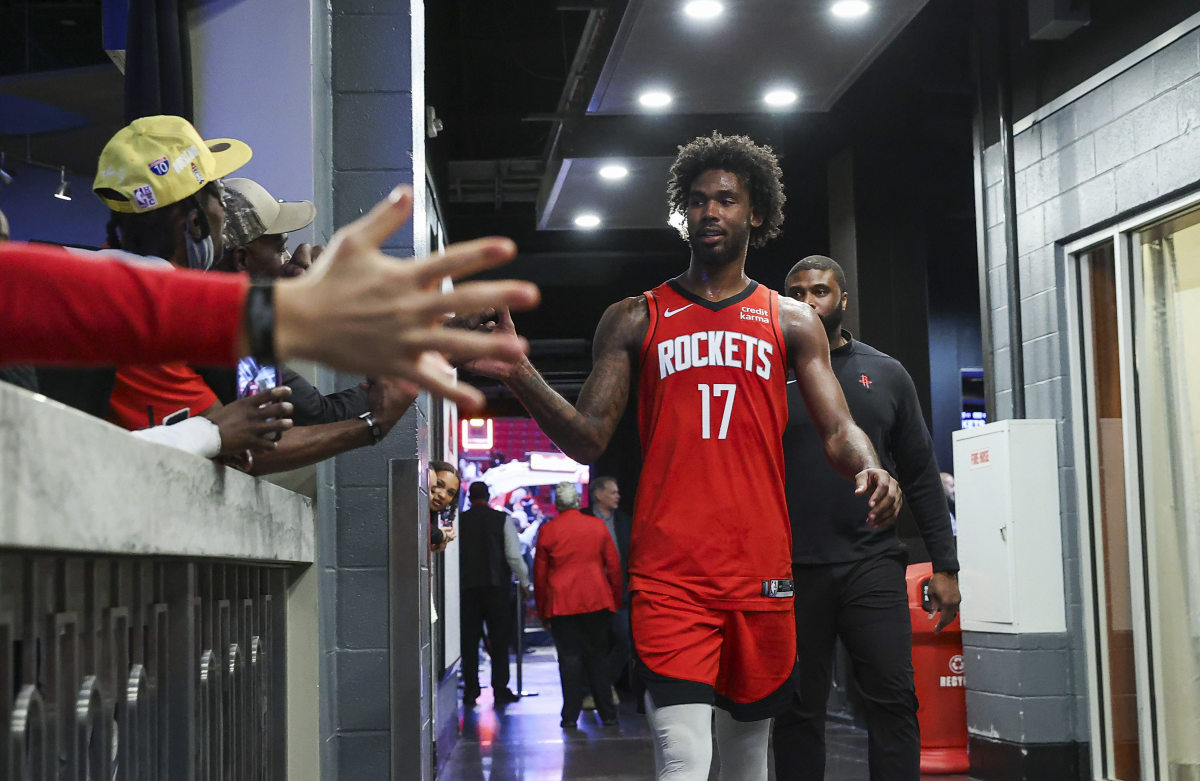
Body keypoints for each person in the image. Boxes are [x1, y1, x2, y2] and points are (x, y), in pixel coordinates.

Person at [467, 132, 901, 780]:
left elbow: (838, 426)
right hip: (671, 574)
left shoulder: (789, 321)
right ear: (684, 213)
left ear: (755, 212)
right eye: (697, 201)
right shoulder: (637, 317)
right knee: (684, 759)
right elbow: (588, 436)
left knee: (750, 758)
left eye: (726, 199)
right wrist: (518, 372)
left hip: (761, 570)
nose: (710, 212)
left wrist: (870, 464)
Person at [772, 255, 961, 781]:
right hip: (791, 569)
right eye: (796, 292)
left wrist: (945, 566)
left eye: (820, 291)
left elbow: (921, 475)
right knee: (796, 710)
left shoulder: (886, 373)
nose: (808, 301)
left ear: (843, 300)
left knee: (894, 701)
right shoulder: (765, 377)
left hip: (871, 565)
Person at [534, 481, 623, 729]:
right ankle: (608, 713)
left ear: (557, 503)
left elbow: (540, 577)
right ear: (578, 501)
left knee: (569, 659)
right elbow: (614, 567)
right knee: (599, 658)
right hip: (596, 599)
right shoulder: (596, 526)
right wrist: (614, 599)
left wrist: (543, 611)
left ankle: (570, 715)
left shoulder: (548, 531)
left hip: (562, 603)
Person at [458, 480, 531, 706]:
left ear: (469, 498)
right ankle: (500, 688)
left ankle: (471, 690)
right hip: (497, 587)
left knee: (469, 641)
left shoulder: (460, 521)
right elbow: (513, 555)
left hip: (467, 588)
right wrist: (524, 582)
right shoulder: (502, 520)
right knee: (499, 640)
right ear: (488, 497)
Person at [582, 475, 633, 707]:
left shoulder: (624, 521)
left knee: (625, 641)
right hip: (591, 595)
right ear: (598, 494)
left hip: (620, 593)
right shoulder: (583, 519)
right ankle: (594, 691)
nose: (618, 496)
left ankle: (604, 685)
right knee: (594, 645)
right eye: (613, 492)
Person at [429, 460, 461, 552]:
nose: (442, 495)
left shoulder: (433, 516)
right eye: (439, 485)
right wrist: (442, 535)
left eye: (450, 493)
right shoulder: (410, 507)